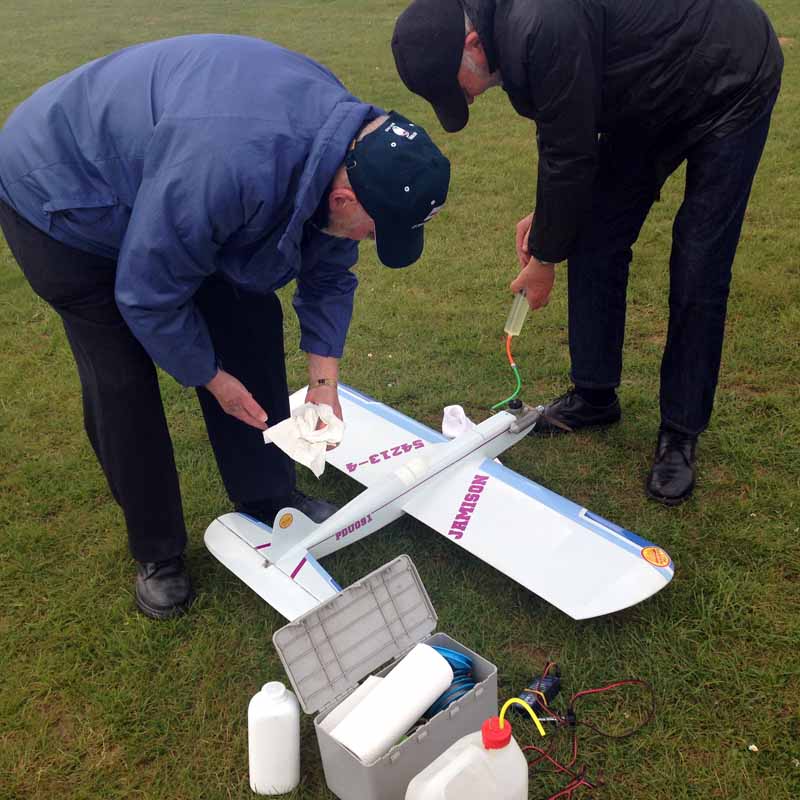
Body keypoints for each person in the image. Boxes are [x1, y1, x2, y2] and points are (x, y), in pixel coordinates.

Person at [0, 34, 450, 619]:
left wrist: (324, 382)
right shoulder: (226, 168)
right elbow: (147, 293)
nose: (370, 240)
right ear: (344, 197)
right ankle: (158, 551)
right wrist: (212, 378)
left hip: (171, 179)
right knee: (120, 377)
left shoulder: (345, 148)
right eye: (375, 229)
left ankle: (267, 495)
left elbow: (328, 268)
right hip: (61, 195)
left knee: (248, 318)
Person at [392, 0, 783, 506]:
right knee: (596, 232)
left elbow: (571, 152)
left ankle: (680, 431)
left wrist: (543, 261)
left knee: (699, 263)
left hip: (729, 75)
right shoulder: (511, 30)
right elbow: (564, 126)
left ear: (472, 44)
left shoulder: (539, 21)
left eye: (455, 84)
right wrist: (550, 217)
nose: (465, 97)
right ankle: (595, 395)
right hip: (649, 88)